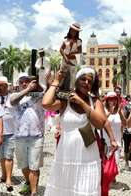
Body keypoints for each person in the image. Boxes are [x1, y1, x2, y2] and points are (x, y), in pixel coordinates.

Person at [42, 67, 118, 196]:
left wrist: (82, 103)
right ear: (76, 80)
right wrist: (56, 81)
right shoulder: (65, 99)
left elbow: (100, 123)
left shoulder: (95, 101)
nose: (86, 83)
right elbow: (46, 103)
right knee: (65, 187)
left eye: (90, 81)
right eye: (83, 79)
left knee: (86, 188)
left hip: (88, 154)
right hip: (66, 153)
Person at [10, 73, 45, 196]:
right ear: (18, 84)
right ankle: (29, 182)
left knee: (34, 166)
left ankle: (34, 192)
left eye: (27, 81)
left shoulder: (39, 95)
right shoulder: (15, 96)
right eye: (22, 82)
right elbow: (13, 102)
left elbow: (45, 92)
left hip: (36, 137)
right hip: (20, 137)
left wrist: (36, 85)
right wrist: (28, 89)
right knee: (24, 166)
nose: (24, 83)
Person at [0, 76, 16, 192]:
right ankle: (3, 175)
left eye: (1, 85)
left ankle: (8, 178)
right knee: (1, 156)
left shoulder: (13, 98)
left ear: (6, 86)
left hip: (11, 132)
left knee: (9, 156)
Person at [59, 23, 82, 91]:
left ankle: (72, 90)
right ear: (70, 30)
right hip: (65, 60)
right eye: (72, 30)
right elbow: (61, 49)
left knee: (73, 75)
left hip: (73, 60)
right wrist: (65, 58)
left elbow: (80, 51)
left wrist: (72, 52)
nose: (73, 32)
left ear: (77, 32)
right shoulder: (66, 40)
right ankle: (58, 87)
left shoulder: (78, 41)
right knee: (62, 73)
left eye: (75, 31)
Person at [103, 92, 123, 164]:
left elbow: (124, 125)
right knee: (105, 167)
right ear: (107, 101)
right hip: (105, 144)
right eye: (110, 99)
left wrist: (120, 113)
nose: (113, 101)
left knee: (114, 167)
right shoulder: (103, 110)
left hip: (117, 144)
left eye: (114, 99)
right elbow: (101, 122)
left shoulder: (120, 111)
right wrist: (109, 112)